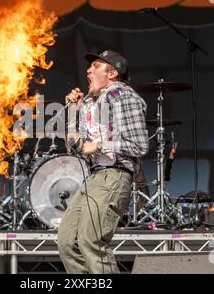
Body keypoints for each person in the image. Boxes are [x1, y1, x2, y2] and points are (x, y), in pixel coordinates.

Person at [57, 50, 149, 273]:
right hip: (95, 177)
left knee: (92, 241)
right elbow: (75, 147)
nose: (88, 70)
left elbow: (140, 145)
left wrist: (99, 145)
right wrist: (73, 111)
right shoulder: (90, 103)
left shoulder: (123, 96)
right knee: (67, 241)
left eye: (96, 66)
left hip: (115, 175)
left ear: (112, 73)